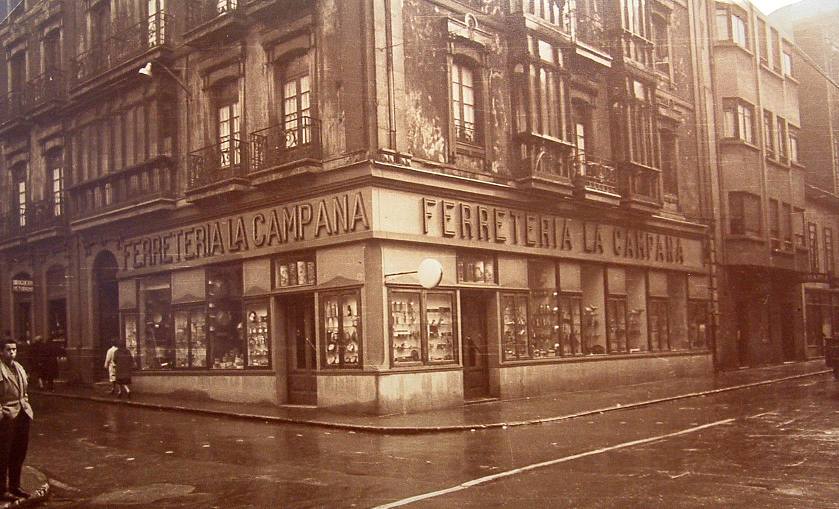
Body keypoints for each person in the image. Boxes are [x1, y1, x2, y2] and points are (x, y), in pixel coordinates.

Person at [0, 338, 33, 501]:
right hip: (6, 415)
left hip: (22, 413)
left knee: (19, 452)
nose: (12, 352)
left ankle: (15, 486)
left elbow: (24, 390)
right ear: (1, 352)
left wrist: (25, 403)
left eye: (14, 349)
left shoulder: (19, 367)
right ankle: (2, 490)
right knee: (3, 454)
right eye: (8, 349)